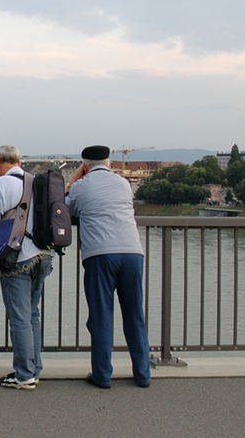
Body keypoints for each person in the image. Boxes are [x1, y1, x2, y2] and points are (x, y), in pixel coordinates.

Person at [66, 145, 150, 389]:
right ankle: (143, 374)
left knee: (101, 316)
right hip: (133, 252)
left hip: (100, 254)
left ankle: (102, 375)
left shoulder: (82, 186)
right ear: (109, 163)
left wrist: (72, 182)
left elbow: (67, 209)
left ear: (84, 166)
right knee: (135, 315)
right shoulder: (123, 184)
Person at [0, 145, 52, 390]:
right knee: (32, 314)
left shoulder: (0, 185)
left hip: (15, 260)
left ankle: (23, 375)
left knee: (19, 316)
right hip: (42, 256)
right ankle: (34, 368)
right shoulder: (36, 181)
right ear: (19, 161)